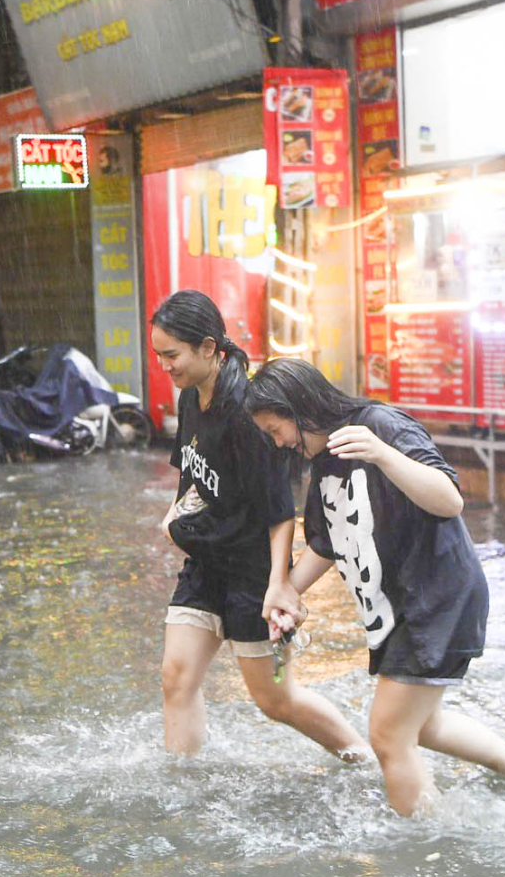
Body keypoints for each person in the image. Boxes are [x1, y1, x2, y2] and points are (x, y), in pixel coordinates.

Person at [242, 358, 505, 816]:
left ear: (298, 406)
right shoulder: (325, 459)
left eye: (276, 428)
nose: (279, 442)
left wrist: (383, 454)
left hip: (436, 599)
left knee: (388, 736)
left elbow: (450, 501)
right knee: (421, 726)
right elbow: (327, 542)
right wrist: (288, 591)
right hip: (397, 608)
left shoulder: (378, 425)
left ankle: (430, 844)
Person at [150, 291, 369, 762]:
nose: (165, 366)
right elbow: (192, 475)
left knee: (275, 701)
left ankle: (361, 756)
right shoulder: (190, 398)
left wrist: (279, 587)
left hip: (251, 573)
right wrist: (174, 516)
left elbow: (279, 512)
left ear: (208, 347)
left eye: (172, 355)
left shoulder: (248, 414)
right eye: (159, 356)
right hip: (205, 567)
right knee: (176, 677)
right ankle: (182, 786)